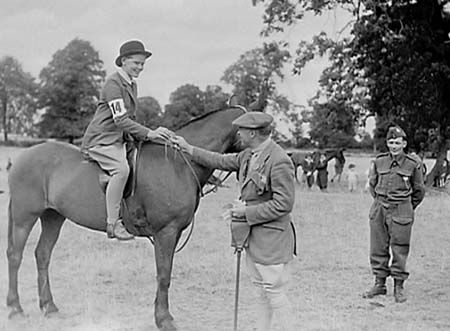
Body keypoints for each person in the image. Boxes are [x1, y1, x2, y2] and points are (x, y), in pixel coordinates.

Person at [172, 111, 296, 331]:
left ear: (253, 133)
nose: (237, 133)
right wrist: (188, 148)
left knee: (274, 292)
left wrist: (246, 211)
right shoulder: (249, 154)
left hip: (272, 239)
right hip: (254, 236)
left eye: (241, 130)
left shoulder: (279, 160)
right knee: (261, 291)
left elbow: (284, 204)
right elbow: (219, 160)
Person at [81, 40, 173, 241]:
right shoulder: (113, 83)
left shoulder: (132, 84)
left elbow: (130, 119)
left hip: (121, 138)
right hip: (102, 140)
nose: (140, 68)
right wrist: (149, 133)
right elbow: (120, 119)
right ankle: (113, 223)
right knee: (122, 170)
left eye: (142, 64)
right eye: (136, 63)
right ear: (123, 61)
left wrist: (147, 138)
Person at [363, 126, 425, 303]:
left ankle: (398, 287)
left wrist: (406, 206)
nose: (394, 146)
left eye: (397, 143)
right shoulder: (380, 161)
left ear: (404, 144)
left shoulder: (412, 164)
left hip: (401, 210)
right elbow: (373, 184)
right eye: (391, 142)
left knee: (399, 248)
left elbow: (419, 190)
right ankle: (379, 284)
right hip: (379, 208)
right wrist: (380, 202)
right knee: (378, 247)